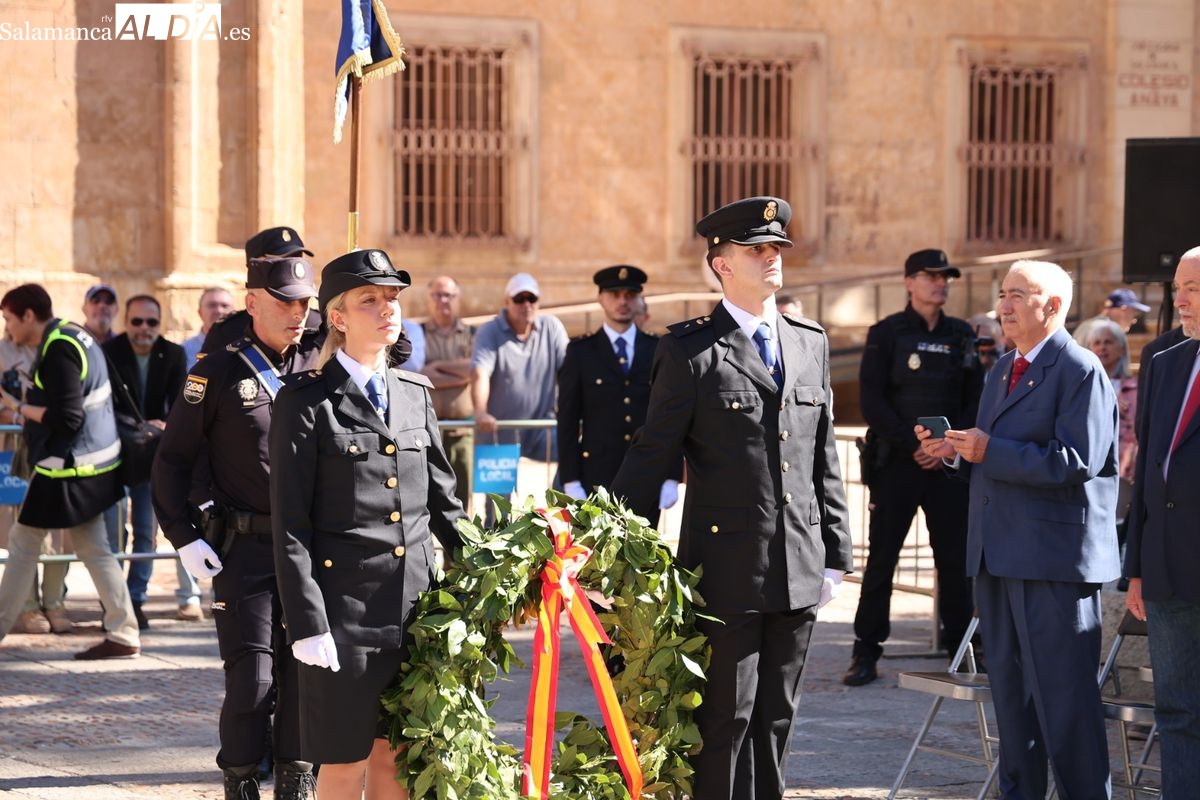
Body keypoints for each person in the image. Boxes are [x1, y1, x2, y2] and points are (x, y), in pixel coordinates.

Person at [611, 196, 853, 800]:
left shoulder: (809, 342)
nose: (772, 257)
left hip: (798, 564)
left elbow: (822, 454)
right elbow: (651, 454)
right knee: (725, 719)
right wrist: (616, 556)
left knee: (777, 720)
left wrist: (836, 553)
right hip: (724, 571)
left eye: (776, 248)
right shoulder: (690, 351)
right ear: (721, 264)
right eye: (756, 249)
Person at [918, 259, 1119, 799]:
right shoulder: (1003, 368)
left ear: (1051, 306)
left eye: (1016, 295)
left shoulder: (1079, 369)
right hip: (998, 554)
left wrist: (990, 450)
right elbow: (994, 455)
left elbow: (1077, 460)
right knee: (1012, 705)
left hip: (1052, 561)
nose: (1002, 306)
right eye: (1002, 293)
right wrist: (955, 453)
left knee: (1066, 705)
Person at [271, 249, 465, 800]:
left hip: (414, 610)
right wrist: (307, 623)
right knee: (342, 762)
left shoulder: (414, 394)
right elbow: (290, 527)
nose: (387, 310)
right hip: (344, 616)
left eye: (392, 299)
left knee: (398, 757)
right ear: (337, 316)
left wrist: (492, 574)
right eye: (369, 300)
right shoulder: (306, 403)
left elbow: (445, 506)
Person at [152, 255, 322, 799]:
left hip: (310, 550)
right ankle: (242, 779)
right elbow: (172, 458)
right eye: (285, 302)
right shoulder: (217, 371)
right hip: (245, 548)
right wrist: (183, 535)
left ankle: (297, 781)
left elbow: (394, 352)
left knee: (304, 678)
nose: (297, 313)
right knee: (253, 682)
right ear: (252, 303)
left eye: (305, 303)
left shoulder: (322, 362)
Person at [844, 248, 982, 686]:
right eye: (930, 276)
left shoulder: (962, 334)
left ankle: (962, 650)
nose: (940, 283)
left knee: (955, 563)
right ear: (909, 282)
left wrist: (946, 447)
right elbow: (872, 400)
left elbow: (974, 399)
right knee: (882, 561)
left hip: (947, 467)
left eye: (945, 277)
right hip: (898, 465)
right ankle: (866, 651)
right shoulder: (886, 333)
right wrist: (915, 443)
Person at [0, 283, 140, 659]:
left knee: (24, 543)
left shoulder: (58, 347)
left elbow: (68, 417)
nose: (8, 327)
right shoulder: (73, 334)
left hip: (68, 469)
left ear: (29, 315)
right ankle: (124, 631)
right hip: (91, 465)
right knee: (94, 548)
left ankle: (124, 631)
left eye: (9, 319)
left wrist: (19, 409)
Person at [1124, 246, 1200, 795]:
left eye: (1193, 288)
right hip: (1167, 570)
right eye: (1178, 288)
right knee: (1175, 710)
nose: (1181, 300)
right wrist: (1137, 568)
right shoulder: (1165, 362)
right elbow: (1149, 473)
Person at [557, 265, 680, 524]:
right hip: (596, 475)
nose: (622, 301)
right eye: (615, 294)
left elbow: (671, 416)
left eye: (630, 295)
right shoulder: (581, 352)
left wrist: (672, 475)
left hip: (647, 472)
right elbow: (567, 420)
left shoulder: (658, 348)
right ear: (600, 299)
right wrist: (570, 479)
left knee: (643, 548)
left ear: (639, 300)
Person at [103, 294, 189, 628]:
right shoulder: (108, 352)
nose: (144, 328)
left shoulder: (173, 353)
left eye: (151, 322)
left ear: (159, 324)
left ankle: (135, 599)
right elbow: (104, 404)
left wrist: (164, 425)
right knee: (113, 536)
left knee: (145, 532)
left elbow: (181, 403)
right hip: (114, 453)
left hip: (153, 455)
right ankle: (114, 604)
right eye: (137, 321)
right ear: (125, 322)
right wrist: (139, 426)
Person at [471, 272, 568, 499]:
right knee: (498, 508)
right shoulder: (489, 330)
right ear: (507, 302)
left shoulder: (552, 327)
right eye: (519, 299)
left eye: (531, 298)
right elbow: (480, 372)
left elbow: (569, 371)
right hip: (498, 431)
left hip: (541, 429)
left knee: (575, 451)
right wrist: (481, 412)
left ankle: (557, 509)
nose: (526, 304)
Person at [0, 332, 72, 635]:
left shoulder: (56, 349)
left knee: (57, 531)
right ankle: (27, 606)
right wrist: (14, 414)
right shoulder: (3, 351)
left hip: (52, 450)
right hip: (14, 451)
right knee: (20, 530)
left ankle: (55, 602)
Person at [419, 275, 475, 509]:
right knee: (426, 496)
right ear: (429, 299)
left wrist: (437, 366)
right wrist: (457, 376)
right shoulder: (417, 333)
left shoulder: (472, 333)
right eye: (438, 295)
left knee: (462, 496)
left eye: (448, 295)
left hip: (462, 431)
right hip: (425, 432)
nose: (443, 300)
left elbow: (473, 369)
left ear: (458, 299)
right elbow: (418, 374)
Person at [1083, 319, 1138, 512]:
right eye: (1096, 343)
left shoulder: (1136, 387)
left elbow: (1137, 432)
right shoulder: (1081, 386)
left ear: (1122, 349)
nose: (1102, 348)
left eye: (1108, 342)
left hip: (1123, 471)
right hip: (1087, 468)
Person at [1073, 286, 1151, 344]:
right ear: (1124, 310)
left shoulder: (1086, 325)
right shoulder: (1109, 333)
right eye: (1133, 314)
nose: (1134, 320)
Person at [182, 287, 236, 367]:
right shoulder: (184, 351)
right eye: (212, 305)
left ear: (234, 313)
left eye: (225, 306)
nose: (219, 311)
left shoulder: (245, 349)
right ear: (200, 312)